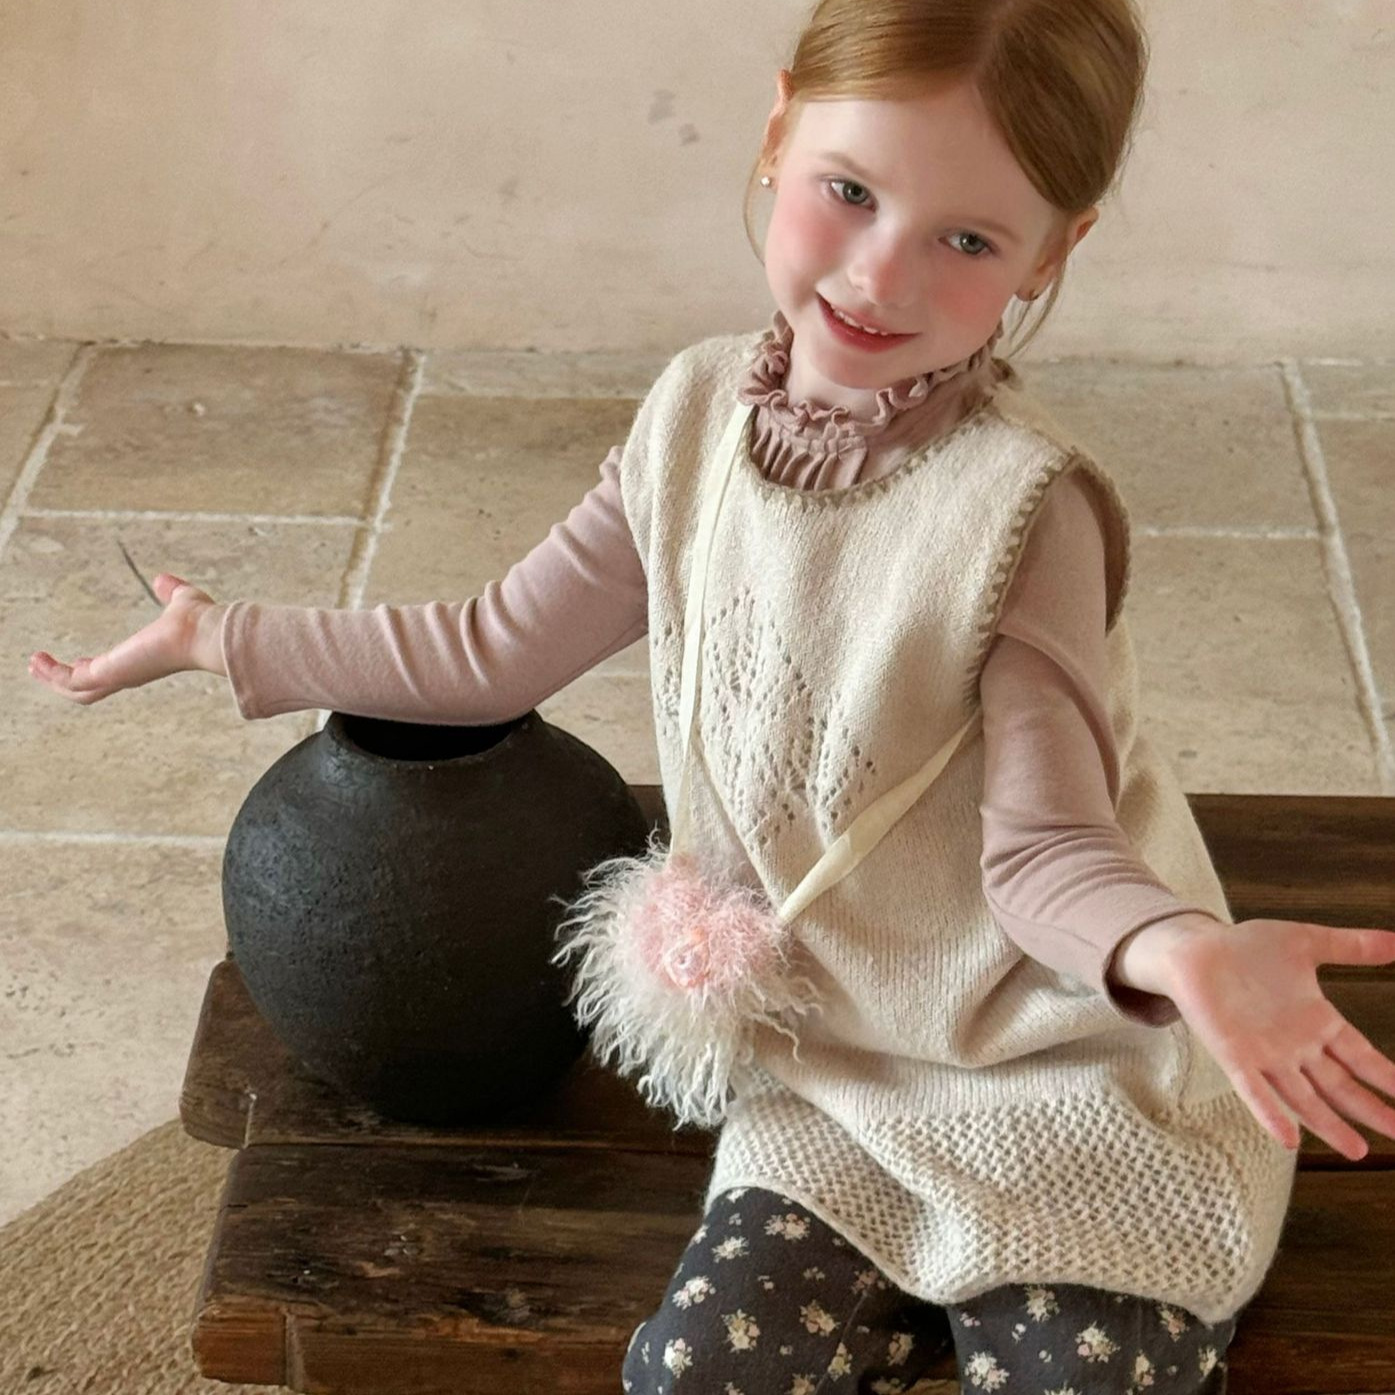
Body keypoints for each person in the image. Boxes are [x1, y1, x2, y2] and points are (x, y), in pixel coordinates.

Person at [27, 0, 1395, 1389]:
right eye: (850, 191)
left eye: (969, 241)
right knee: (694, 1372)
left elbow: (1047, 854)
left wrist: (1179, 951)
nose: (880, 273)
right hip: (833, 1071)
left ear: (1055, 250)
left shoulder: (1026, 511)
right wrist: (223, 638)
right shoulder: (692, 420)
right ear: (778, 129)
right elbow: (495, 647)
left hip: (1064, 1064)